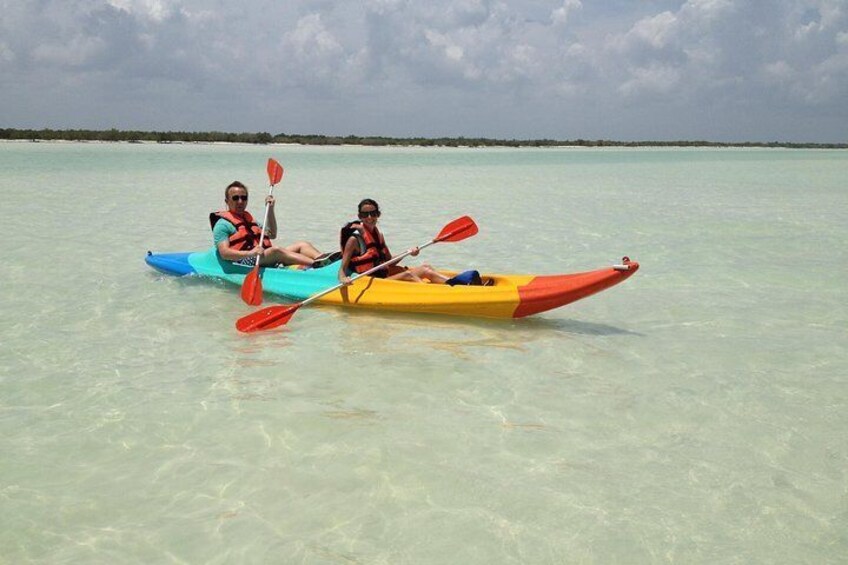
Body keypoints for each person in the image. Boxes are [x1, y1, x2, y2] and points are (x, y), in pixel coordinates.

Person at [210, 180, 328, 267]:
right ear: (227, 201)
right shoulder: (222, 225)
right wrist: (250, 253)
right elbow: (224, 253)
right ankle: (316, 265)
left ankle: (325, 261)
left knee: (302, 244)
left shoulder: (250, 220)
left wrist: (271, 209)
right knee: (275, 251)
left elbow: (272, 234)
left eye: (244, 198)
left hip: (262, 256)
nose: (240, 201)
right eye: (235, 198)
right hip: (243, 261)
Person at [338, 199, 449, 285]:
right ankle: (429, 293)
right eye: (365, 214)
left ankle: (459, 284)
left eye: (373, 213)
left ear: (378, 214)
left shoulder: (379, 236)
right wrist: (344, 279)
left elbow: (389, 262)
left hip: (384, 275)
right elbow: (342, 269)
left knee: (426, 268)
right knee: (408, 274)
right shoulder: (354, 240)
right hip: (372, 281)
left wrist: (408, 252)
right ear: (359, 217)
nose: (369, 217)